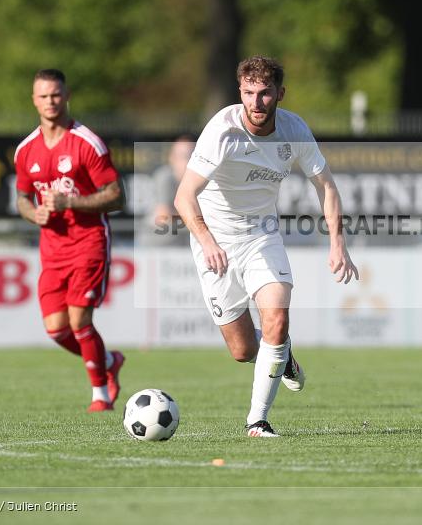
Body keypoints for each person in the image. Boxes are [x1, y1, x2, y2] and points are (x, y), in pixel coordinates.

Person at [174, 56, 358, 437]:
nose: (256, 102)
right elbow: (184, 197)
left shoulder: (294, 130)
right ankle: (282, 355)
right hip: (216, 242)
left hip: (262, 235)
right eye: (248, 93)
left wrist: (337, 243)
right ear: (240, 92)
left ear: (280, 93)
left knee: (276, 318)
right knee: (242, 350)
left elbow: (326, 186)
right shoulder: (222, 131)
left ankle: (257, 420)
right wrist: (207, 240)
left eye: (265, 93)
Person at [14, 69, 127, 413]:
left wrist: (71, 202)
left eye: (56, 95)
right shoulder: (26, 150)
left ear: (67, 96)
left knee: (79, 322)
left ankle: (100, 395)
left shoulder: (86, 143)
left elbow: (117, 196)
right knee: (56, 330)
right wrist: (34, 215)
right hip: (52, 249)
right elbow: (21, 198)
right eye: (43, 96)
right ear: (34, 100)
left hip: (89, 242)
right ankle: (108, 359)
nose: (50, 101)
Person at [147, 135, 195, 244]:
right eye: (184, 156)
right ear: (172, 159)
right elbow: (165, 216)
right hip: (155, 245)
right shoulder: (164, 177)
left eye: (193, 156)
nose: (189, 162)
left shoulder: (199, 180)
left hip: (183, 243)